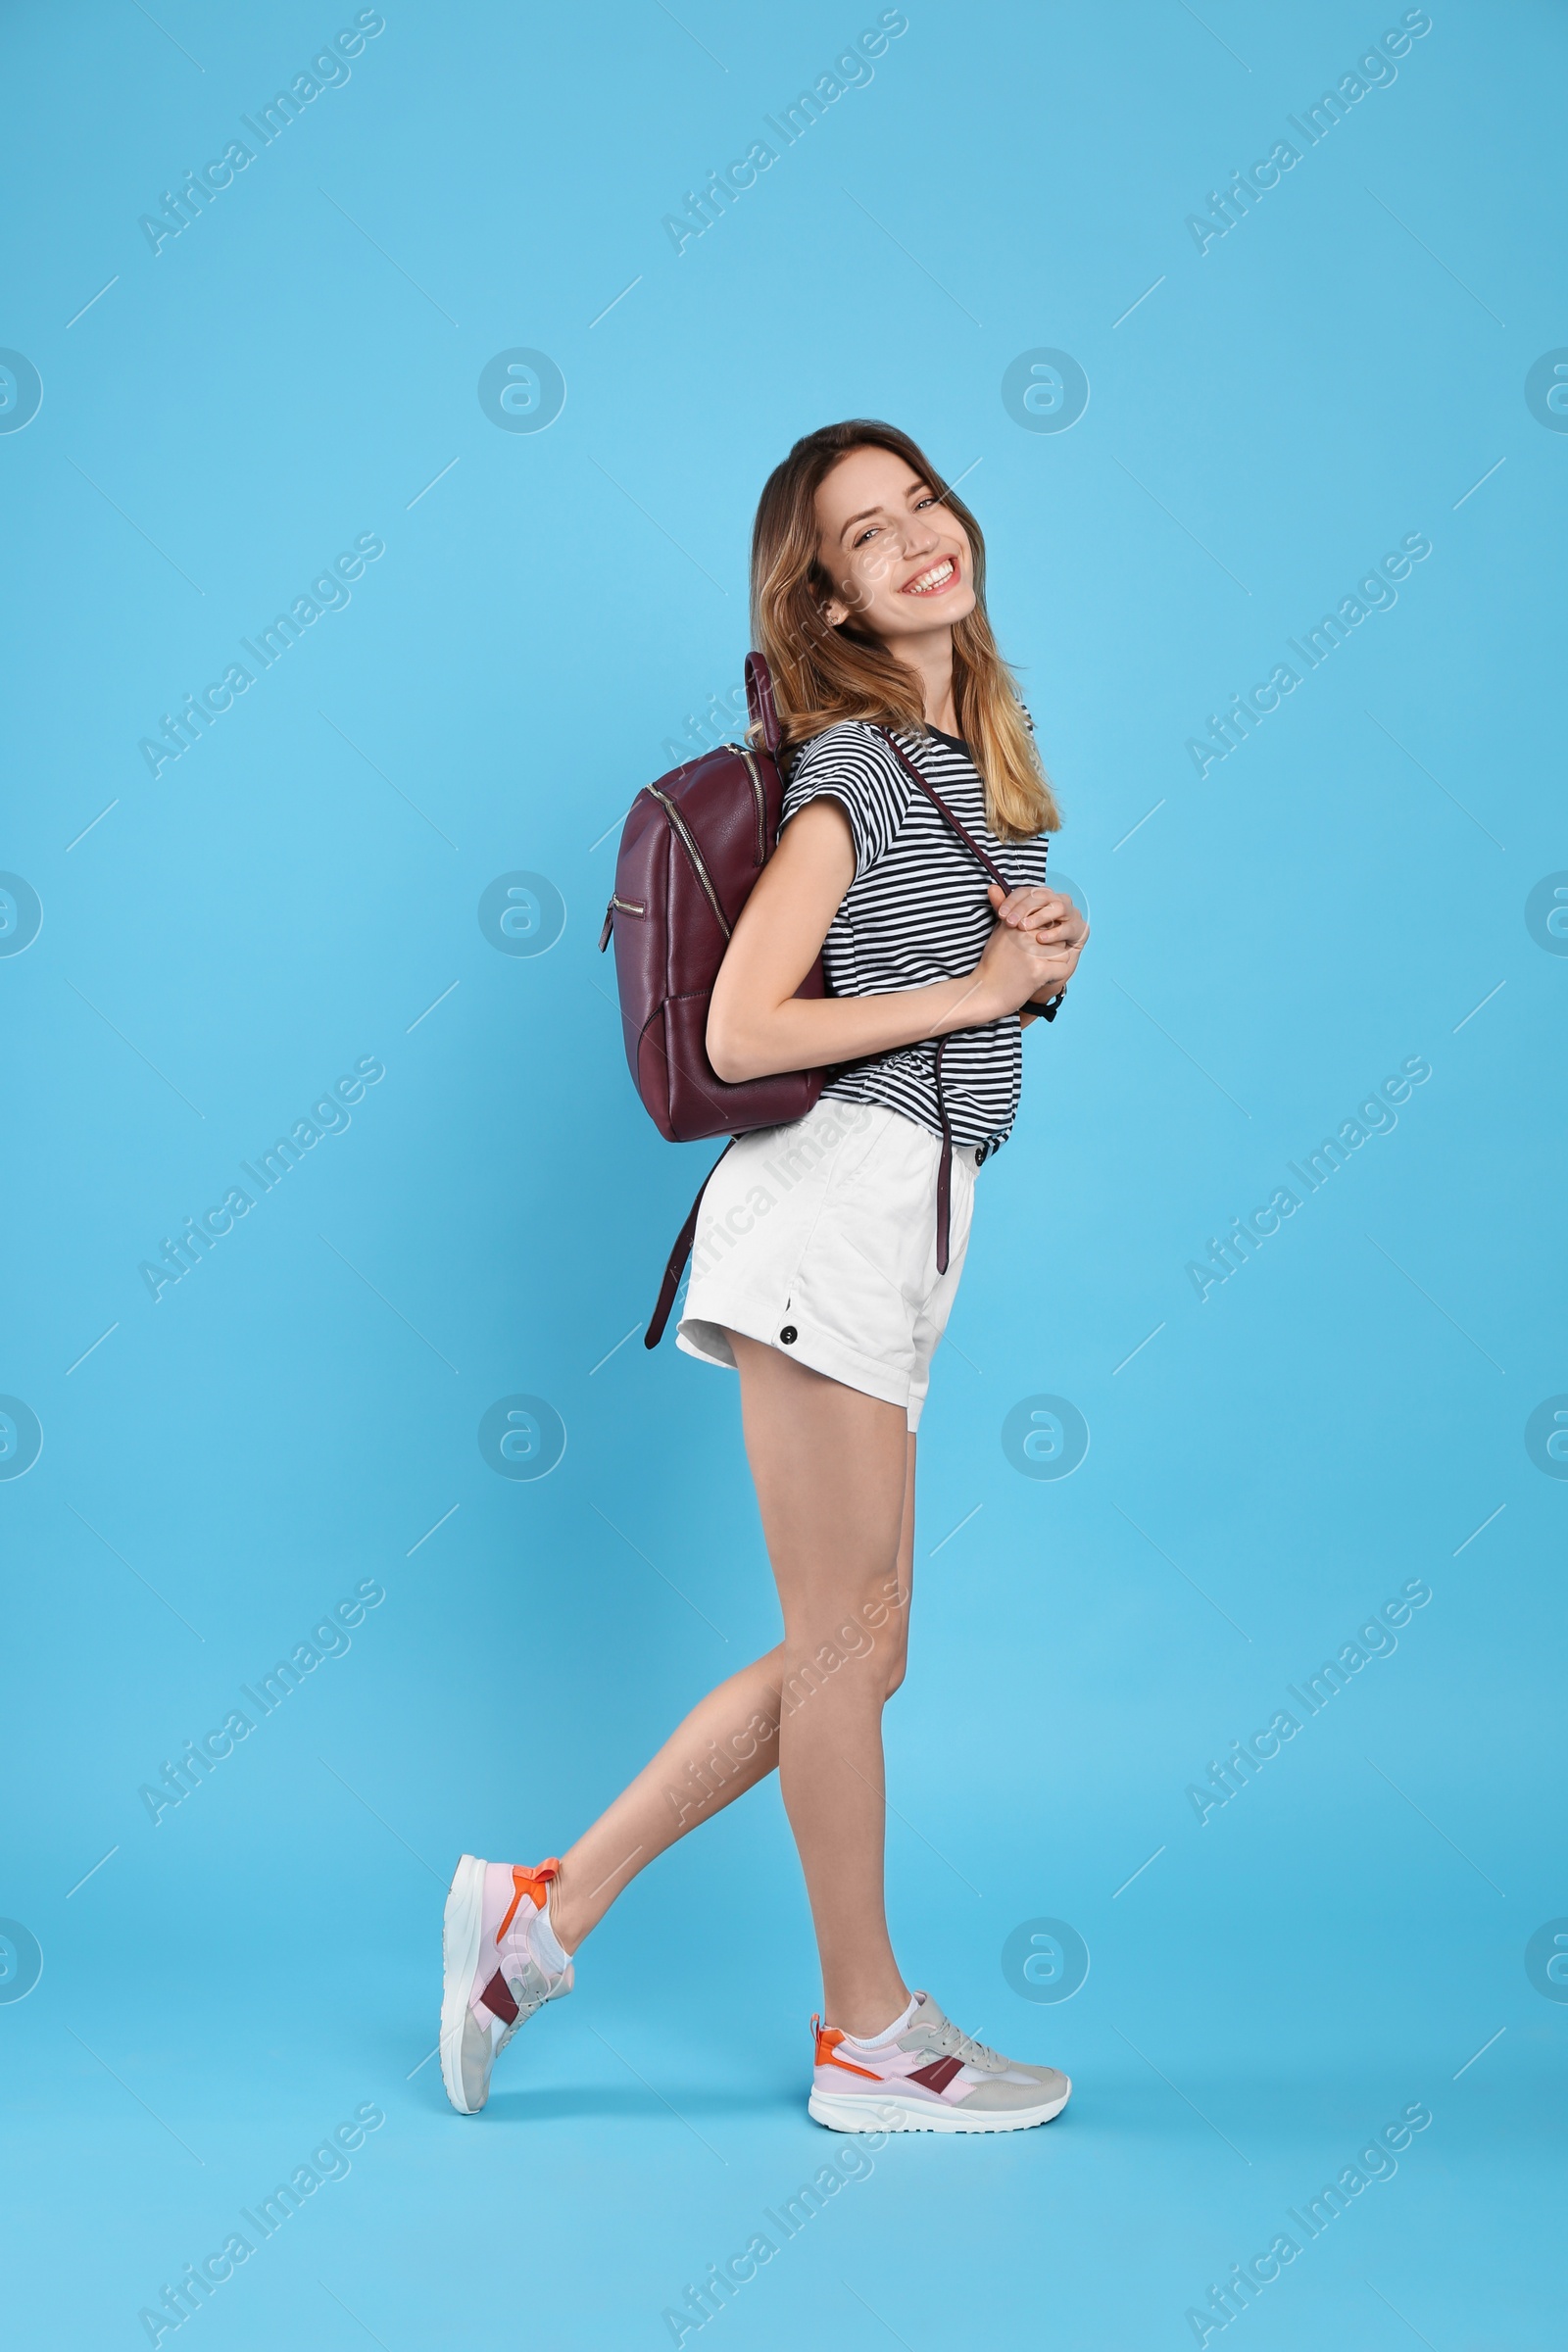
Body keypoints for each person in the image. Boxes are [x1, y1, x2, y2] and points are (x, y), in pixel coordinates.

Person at [440, 419, 1089, 2132]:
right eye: (870, 537)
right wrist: (969, 998)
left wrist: (1020, 972)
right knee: (846, 1644)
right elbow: (743, 1023)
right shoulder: (858, 772)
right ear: (834, 600)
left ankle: (543, 1915)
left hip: (906, 1218)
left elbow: (940, 994)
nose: (917, 540)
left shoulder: (973, 767)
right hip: (831, 1212)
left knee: (852, 1657)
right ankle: (868, 2035)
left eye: (922, 504)